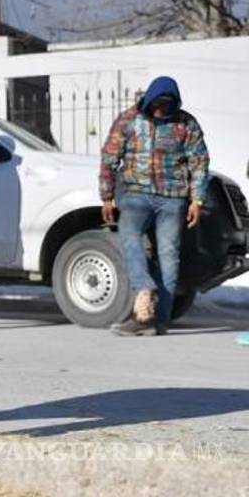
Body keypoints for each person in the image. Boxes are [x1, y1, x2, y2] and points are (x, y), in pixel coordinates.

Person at [100, 76, 209, 336]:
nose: (162, 110)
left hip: (173, 198)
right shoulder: (128, 120)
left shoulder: (186, 123)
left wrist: (197, 200)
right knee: (130, 238)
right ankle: (144, 290)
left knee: (169, 256)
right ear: (149, 100)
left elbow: (199, 162)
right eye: (158, 104)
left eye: (167, 105)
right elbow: (109, 157)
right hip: (136, 194)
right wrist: (106, 196)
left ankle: (158, 321)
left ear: (175, 103)